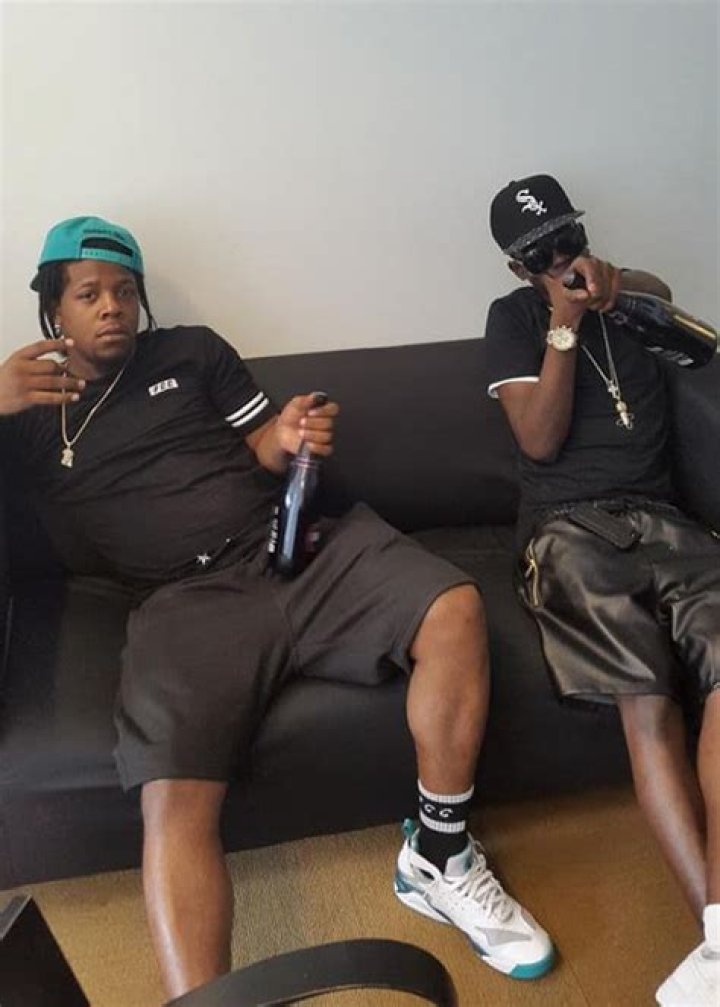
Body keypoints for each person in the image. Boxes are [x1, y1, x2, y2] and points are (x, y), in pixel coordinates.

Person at [0, 216, 553, 998]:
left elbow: (261, 440)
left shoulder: (191, 351)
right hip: (183, 601)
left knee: (453, 607)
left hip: (295, 549)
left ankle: (439, 854)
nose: (112, 306)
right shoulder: (28, 403)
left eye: (124, 290)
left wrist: (287, 435)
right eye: (88, 294)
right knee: (171, 789)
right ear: (54, 306)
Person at [483, 173, 720, 1007]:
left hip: (666, 521)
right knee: (647, 702)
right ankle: (716, 930)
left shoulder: (626, 298)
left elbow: (675, 304)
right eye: (541, 255)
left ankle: (719, 947)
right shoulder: (512, 319)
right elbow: (538, 440)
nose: (561, 259)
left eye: (569, 239)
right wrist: (563, 325)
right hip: (568, 530)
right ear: (519, 268)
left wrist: (619, 289)